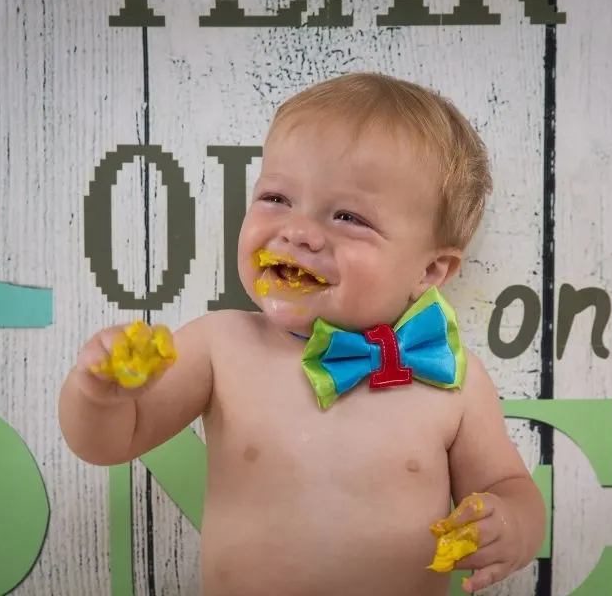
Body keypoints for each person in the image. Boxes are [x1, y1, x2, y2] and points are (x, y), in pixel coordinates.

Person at [59, 72, 545, 596]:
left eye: (349, 216)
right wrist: (99, 395)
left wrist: (511, 525)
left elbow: (509, 487)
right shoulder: (221, 347)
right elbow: (110, 442)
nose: (298, 231)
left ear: (429, 273)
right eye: (276, 198)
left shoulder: (451, 379)